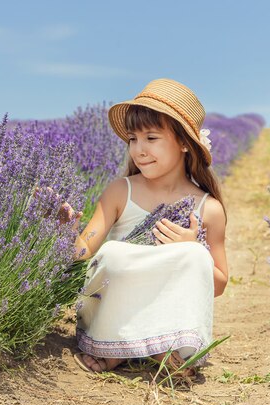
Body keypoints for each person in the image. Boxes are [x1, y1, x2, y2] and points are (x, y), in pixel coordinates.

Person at [62, 78, 228, 376]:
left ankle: (169, 348)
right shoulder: (119, 191)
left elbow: (218, 285)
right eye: (132, 140)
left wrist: (190, 250)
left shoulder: (209, 209)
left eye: (151, 138)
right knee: (112, 253)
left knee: (195, 256)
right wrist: (64, 231)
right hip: (113, 314)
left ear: (184, 143)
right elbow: (84, 253)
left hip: (167, 317)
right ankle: (112, 345)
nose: (139, 150)